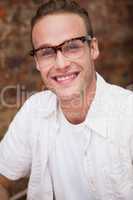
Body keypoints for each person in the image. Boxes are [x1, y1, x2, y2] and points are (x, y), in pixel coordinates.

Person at [0, 0, 133, 199]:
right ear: (37, 61)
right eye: (46, 52)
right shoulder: (33, 111)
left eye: (72, 47)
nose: (61, 64)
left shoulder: (128, 115)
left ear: (93, 48)